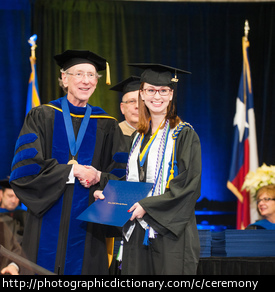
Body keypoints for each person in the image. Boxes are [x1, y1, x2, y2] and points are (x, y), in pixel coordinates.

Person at [9, 50, 127, 275]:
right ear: (64, 78)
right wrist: (71, 172)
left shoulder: (108, 125)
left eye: (92, 75)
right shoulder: (42, 116)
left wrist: (99, 177)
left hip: (89, 231)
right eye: (79, 74)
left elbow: (122, 177)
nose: (86, 81)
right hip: (46, 221)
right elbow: (24, 171)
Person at [96, 63, 202, 275]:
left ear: (171, 95)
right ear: (142, 94)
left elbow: (189, 186)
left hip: (170, 234)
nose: (157, 96)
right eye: (151, 90)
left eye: (163, 91)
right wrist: (108, 196)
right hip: (137, 231)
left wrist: (147, 206)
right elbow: (133, 181)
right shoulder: (138, 137)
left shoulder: (183, 134)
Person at [0, 178, 23, 275]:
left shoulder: (24, 217)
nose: (14, 200)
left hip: (19, 266)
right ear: (1, 194)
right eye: (10, 196)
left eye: (17, 197)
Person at [110, 76, 140, 141]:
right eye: (131, 101)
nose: (137, 106)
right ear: (122, 108)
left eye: (142, 101)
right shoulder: (112, 135)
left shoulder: (160, 134)